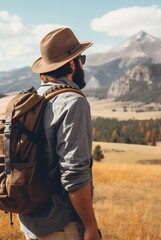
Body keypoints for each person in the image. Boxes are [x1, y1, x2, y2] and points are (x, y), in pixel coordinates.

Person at [18, 27, 101, 240]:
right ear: (72, 64)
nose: (83, 64)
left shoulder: (32, 100)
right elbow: (74, 173)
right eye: (81, 59)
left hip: (31, 223)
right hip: (62, 227)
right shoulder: (73, 102)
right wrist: (91, 226)